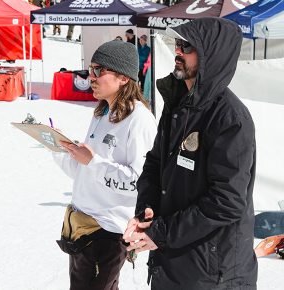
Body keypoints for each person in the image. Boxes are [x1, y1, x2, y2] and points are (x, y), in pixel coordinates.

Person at [123, 17, 258, 290]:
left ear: (211, 56)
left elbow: (227, 201)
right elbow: (155, 163)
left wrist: (161, 233)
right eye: (177, 44)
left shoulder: (231, 119)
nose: (177, 52)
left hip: (214, 275)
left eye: (187, 47)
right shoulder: (178, 104)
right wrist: (147, 209)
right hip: (173, 264)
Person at [53, 40, 157, 290]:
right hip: (81, 227)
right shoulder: (101, 114)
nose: (91, 77)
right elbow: (83, 174)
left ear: (123, 77)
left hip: (108, 231)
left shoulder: (139, 119)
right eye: (90, 70)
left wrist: (92, 161)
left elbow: (139, 183)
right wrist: (59, 149)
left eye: (99, 71)